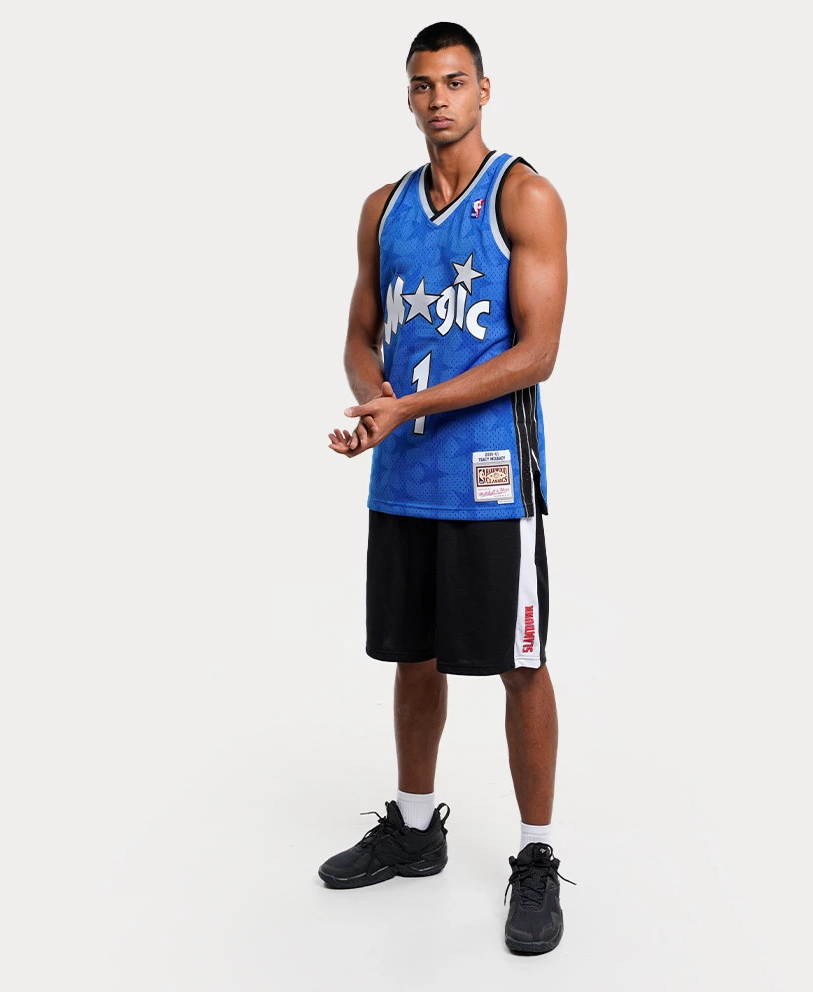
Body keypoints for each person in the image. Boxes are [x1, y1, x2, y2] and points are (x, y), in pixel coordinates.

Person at [321, 22, 571, 954]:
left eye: (455, 82)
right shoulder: (382, 209)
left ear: (484, 90)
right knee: (412, 656)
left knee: (520, 662)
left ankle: (536, 856)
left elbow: (536, 354)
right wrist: (372, 405)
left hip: (492, 479)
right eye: (423, 85)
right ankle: (416, 829)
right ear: (409, 96)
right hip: (404, 474)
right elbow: (362, 334)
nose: (439, 100)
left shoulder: (524, 196)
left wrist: (412, 403)